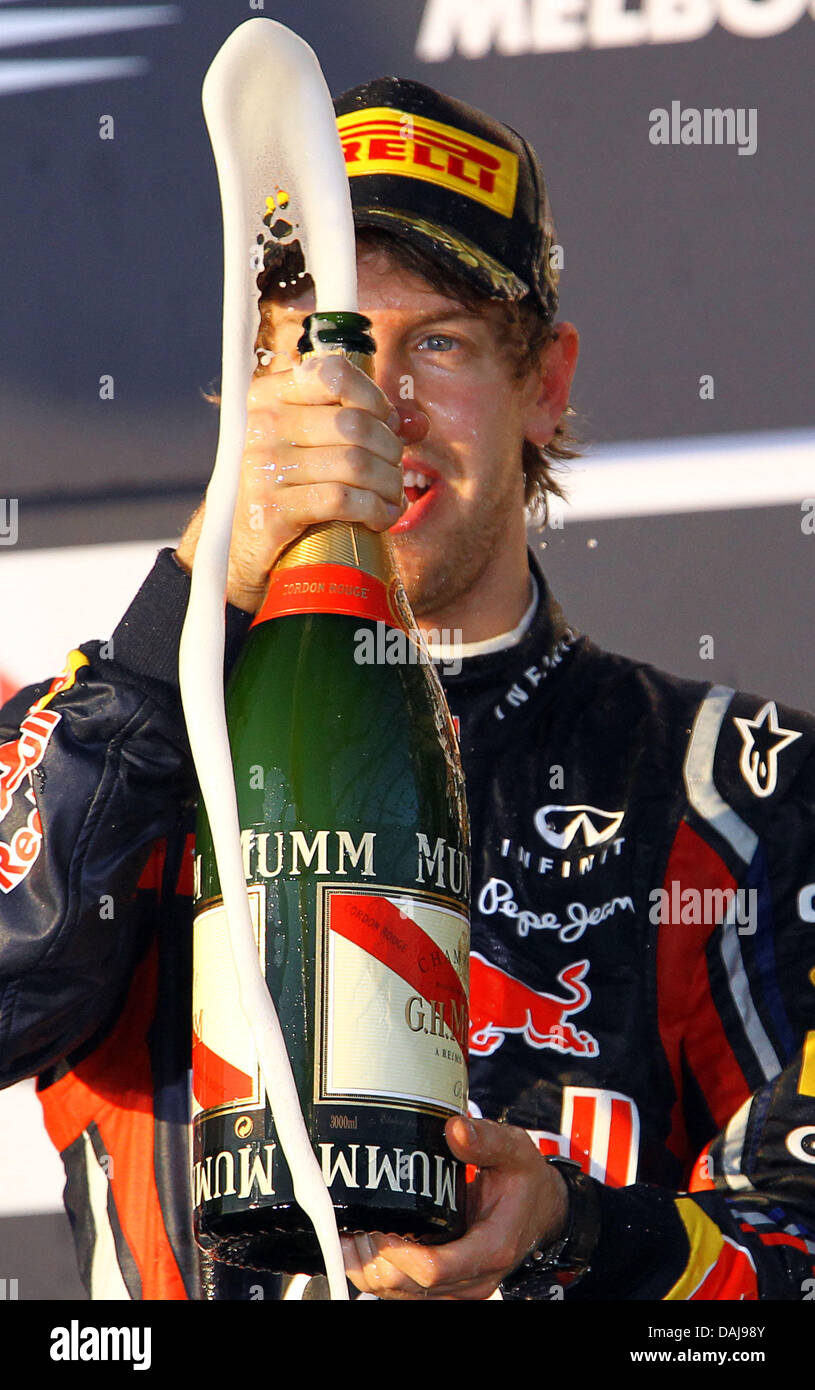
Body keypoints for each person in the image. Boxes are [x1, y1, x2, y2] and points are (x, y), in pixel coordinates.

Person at [1, 76, 814, 1302]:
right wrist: (198, 584)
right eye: (315, 346)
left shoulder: (746, 793)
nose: (375, 408)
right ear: (242, 391)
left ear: (543, 385)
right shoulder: (117, 745)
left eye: (435, 343)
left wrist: (576, 1234)